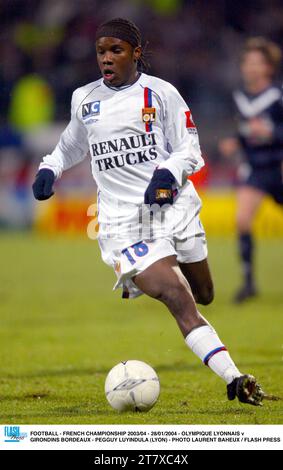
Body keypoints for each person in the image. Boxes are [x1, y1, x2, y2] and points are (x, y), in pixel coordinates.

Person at [32, 18, 264, 406]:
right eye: (101, 52)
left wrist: (168, 174)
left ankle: (216, 347)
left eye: (116, 51)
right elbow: (73, 144)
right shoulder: (84, 100)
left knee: (203, 294)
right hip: (124, 224)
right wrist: (50, 167)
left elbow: (190, 149)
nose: (106, 59)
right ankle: (235, 378)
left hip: (176, 211)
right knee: (176, 295)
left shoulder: (161, 94)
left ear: (136, 53)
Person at [219, 37, 283, 304]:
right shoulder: (239, 98)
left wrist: (272, 132)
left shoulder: (277, 95)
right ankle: (248, 282)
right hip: (255, 168)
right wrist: (235, 141)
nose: (251, 67)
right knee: (242, 220)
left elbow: (273, 130)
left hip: (278, 166)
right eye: (247, 62)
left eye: (257, 63)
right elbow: (244, 130)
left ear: (269, 67)